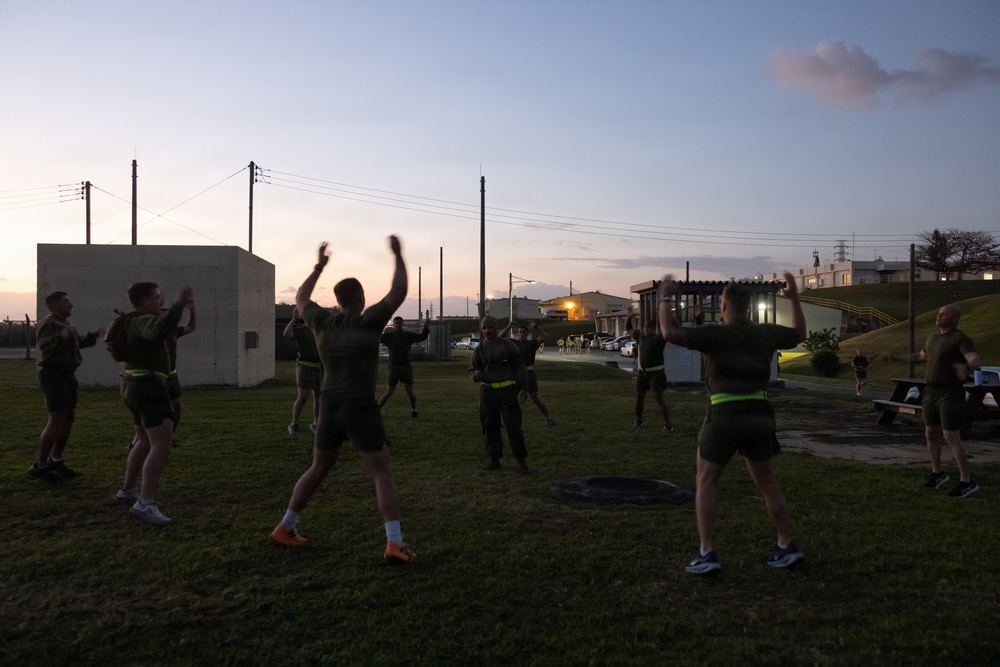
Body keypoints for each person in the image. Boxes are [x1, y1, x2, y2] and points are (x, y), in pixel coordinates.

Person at [270, 237, 416, 563]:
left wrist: (319, 266)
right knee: (381, 473)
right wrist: (398, 255)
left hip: (330, 408)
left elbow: (302, 296)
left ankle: (286, 526)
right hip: (360, 408)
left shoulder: (321, 322)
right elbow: (398, 292)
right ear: (362, 298)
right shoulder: (368, 321)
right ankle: (394, 542)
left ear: (337, 299)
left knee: (319, 468)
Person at [658, 273, 806, 574]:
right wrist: (793, 298)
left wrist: (665, 297)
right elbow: (799, 333)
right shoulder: (765, 333)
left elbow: (670, 332)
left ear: (724, 305)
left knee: (706, 480)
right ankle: (785, 544)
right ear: (749, 307)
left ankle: (707, 552)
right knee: (767, 483)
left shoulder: (716, 334)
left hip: (724, 415)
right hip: (760, 414)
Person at [878, 304, 980, 498]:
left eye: (944, 314)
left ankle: (967, 481)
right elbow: (920, 356)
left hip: (950, 393)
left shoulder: (959, 338)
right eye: (939, 313)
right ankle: (938, 474)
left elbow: (975, 358)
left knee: (951, 436)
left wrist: (965, 366)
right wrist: (895, 357)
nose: (939, 315)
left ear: (955, 318)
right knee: (931, 433)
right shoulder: (932, 338)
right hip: (930, 393)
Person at [115, 282, 195, 525]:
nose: (161, 301)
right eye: (157, 297)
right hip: (149, 387)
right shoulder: (141, 321)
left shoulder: (129, 321)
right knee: (162, 444)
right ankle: (145, 503)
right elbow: (158, 329)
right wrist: (179, 305)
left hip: (134, 385)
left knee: (144, 441)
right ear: (144, 301)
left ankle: (127, 491)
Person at [29, 292, 107, 483]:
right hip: (53, 374)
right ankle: (40, 465)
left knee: (68, 418)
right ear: (55, 306)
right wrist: (59, 336)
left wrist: (95, 335)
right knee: (56, 419)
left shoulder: (66, 324)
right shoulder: (50, 323)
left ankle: (56, 460)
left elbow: (77, 342)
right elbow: (45, 345)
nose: (71, 305)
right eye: (66, 302)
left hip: (67, 374)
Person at [129, 305, 196, 449]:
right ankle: (138, 441)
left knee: (176, 408)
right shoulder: (151, 332)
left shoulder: (174, 331)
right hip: (156, 377)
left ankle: (168, 437)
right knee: (151, 413)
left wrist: (192, 310)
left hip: (171, 376)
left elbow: (190, 327)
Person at [470, 316, 531, 473]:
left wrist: (524, 388)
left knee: (513, 426)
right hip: (488, 392)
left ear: (496, 329)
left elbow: (519, 366)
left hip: (508, 392)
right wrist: (477, 375)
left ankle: (521, 461)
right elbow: (473, 372)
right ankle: (494, 460)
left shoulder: (507, 346)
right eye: (484, 328)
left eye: (490, 327)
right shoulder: (479, 350)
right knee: (490, 426)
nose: (487, 331)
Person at [625, 311, 673, 433]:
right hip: (642, 373)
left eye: (648, 326)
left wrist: (661, 315)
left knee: (659, 399)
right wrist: (629, 316)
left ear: (653, 328)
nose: (646, 328)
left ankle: (667, 425)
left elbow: (668, 329)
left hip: (656, 374)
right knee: (639, 398)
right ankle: (639, 420)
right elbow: (629, 328)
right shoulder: (641, 337)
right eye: (645, 326)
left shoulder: (659, 338)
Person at [501, 320, 555, 426]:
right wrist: (508, 327)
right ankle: (504, 420)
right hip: (515, 374)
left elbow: (545, 336)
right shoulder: (513, 343)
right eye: (520, 332)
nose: (522, 334)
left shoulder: (532, 344)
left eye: (524, 332)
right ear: (517, 334)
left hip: (529, 373)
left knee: (534, 398)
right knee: (510, 398)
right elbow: (500, 337)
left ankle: (548, 417)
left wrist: (536, 327)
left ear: (527, 334)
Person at [378, 316, 430, 417]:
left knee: (409, 391)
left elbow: (421, 337)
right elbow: (375, 338)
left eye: (400, 323)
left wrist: (426, 327)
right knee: (389, 391)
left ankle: (414, 410)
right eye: (396, 323)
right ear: (393, 324)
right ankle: (377, 410)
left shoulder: (408, 335)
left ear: (403, 325)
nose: (398, 325)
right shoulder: (388, 336)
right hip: (394, 366)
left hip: (406, 366)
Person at [283, 307, 321, 435]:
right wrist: (294, 319)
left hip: (319, 367)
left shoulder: (320, 332)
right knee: (303, 396)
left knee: (318, 397)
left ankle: (316, 424)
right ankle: (293, 424)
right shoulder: (301, 331)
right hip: (305, 366)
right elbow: (286, 334)